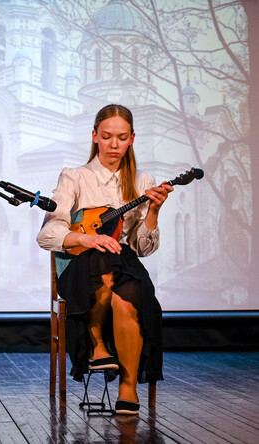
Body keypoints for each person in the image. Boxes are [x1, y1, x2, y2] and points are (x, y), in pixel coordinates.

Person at [37, 104, 172, 415]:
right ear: (94, 136)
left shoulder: (143, 181)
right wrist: (88, 239)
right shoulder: (75, 177)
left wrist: (153, 211)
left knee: (128, 298)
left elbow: (142, 248)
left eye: (122, 138)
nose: (114, 145)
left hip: (124, 264)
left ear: (132, 139)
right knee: (101, 257)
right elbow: (47, 235)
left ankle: (128, 387)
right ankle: (96, 343)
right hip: (81, 266)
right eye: (107, 136)